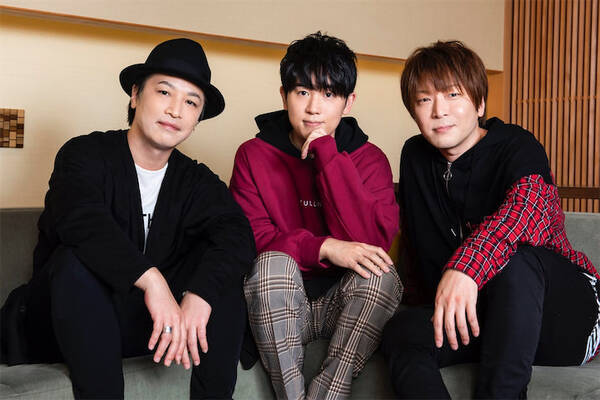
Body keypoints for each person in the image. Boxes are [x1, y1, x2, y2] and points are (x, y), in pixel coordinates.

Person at [2, 38, 255, 399]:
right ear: (135, 94)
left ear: (197, 119)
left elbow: (237, 234)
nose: (175, 110)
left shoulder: (196, 181)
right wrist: (152, 281)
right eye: (164, 92)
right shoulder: (84, 154)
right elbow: (80, 220)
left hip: (137, 325)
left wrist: (200, 294)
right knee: (73, 260)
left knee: (220, 276)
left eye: (191, 102)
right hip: (61, 320)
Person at [382, 40, 600, 399]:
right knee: (403, 330)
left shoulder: (517, 144)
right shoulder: (415, 157)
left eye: (453, 94)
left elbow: (528, 212)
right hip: (482, 319)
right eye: (424, 99)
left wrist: (466, 267)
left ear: (480, 103)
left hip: (563, 316)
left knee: (517, 261)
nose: (439, 110)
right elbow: (418, 247)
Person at [229, 32, 403, 400]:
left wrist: (326, 153)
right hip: (279, 298)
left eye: (328, 94)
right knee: (271, 264)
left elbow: (371, 244)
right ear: (284, 96)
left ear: (348, 102)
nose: (314, 108)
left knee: (381, 275)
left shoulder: (370, 159)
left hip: (345, 300)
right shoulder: (253, 155)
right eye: (302, 92)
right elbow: (252, 239)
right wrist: (324, 247)